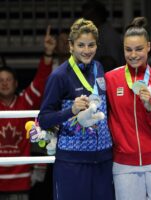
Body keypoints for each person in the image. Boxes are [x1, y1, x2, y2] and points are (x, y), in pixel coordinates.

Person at [38, 18, 114, 200]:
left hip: (103, 160)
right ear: (71, 46)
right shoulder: (59, 76)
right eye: (81, 45)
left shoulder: (99, 67)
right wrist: (70, 110)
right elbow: (44, 119)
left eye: (91, 45)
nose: (87, 50)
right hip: (72, 162)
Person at [105, 17, 151, 200]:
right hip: (124, 164)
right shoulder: (110, 80)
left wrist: (150, 108)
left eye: (139, 49)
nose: (133, 55)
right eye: (128, 49)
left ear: (149, 47)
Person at [0, 26, 55, 200]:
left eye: (8, 80)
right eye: (0, 80)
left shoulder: (25, 101)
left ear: (16, 84)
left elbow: (40, 81)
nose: (5, 83)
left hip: (21, 181)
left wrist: (48, 54)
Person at [82, 0, 125, 71]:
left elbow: (110, 63)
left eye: (88, 17)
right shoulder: (97, 33)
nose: (85, 21)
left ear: (97, 15)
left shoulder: (108, 35)